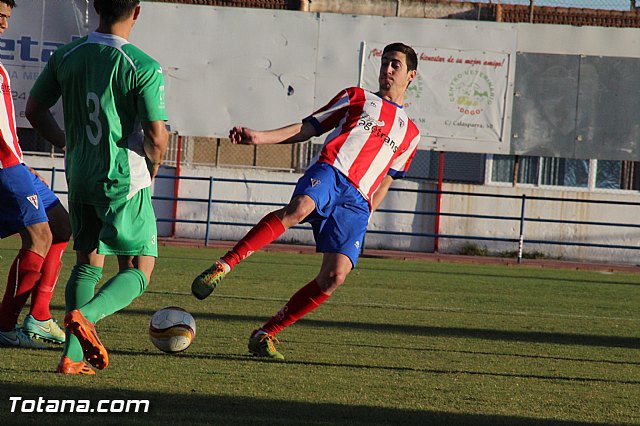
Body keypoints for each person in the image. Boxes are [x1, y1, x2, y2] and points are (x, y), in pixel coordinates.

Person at [192, 42, 421, 360]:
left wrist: (369, 210)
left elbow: (387, 179)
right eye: (384, 62)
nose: (387, 69)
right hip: (332, 170)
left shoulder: (411, 133)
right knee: (299, 209)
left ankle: (265, 334)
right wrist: (259, 137)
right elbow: (308, 127)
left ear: (410, 75)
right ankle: (222, 266)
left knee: (334, 277)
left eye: (395, 64)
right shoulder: (357, 97)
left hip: (358, 201)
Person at [25, 0, 168, 374]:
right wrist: (152, 166)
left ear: (95, 7)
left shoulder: (67, 55)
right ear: (136, 11)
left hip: (81, 175)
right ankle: (86, 317)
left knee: (88, 263)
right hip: (123, 178)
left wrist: (64, 142)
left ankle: (71, 358)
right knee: (139, 269)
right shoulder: (143, 66)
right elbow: (156, 136)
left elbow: (34, 110)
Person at [0, 0, 71, 349]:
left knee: (61, 225)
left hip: (14, 165)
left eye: (6, 18)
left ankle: (40, 316)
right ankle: (4, 325)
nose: (2, 24)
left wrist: (23, 165)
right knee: (39, 236)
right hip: (2, 169)